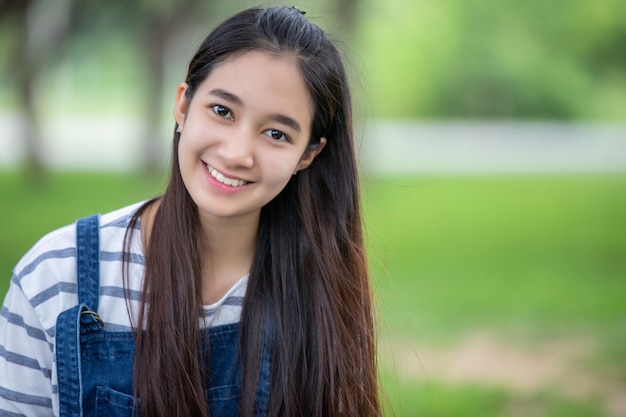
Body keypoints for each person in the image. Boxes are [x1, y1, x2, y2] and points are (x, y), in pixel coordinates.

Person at [0, 5, 381, 417]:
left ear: (308, 154)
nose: (237, 154)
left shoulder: (322, 288)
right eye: (222, 111)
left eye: (276, 133)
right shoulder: (56, 273)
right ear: (183, 106)